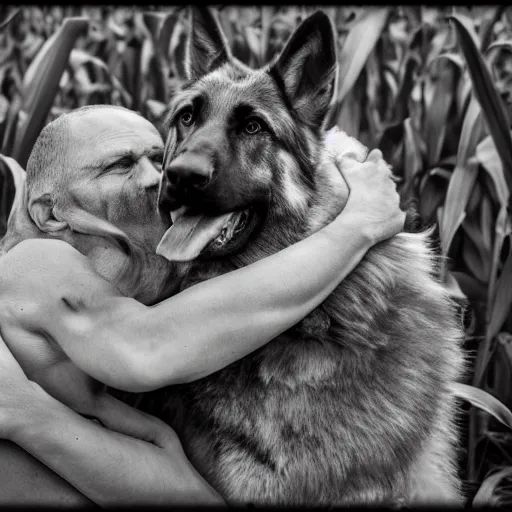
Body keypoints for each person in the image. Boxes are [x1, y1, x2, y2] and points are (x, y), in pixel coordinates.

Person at [0, 105, 405, 505]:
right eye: (120, 165)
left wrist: (32, 416)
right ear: (50, 213)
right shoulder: (33, 261)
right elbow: (146, 350)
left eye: (159, 160)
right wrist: (358, 226)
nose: (155, 178)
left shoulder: (102, 375)